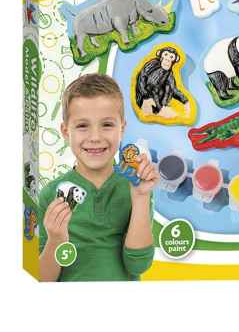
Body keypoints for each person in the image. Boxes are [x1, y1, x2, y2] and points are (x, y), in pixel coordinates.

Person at [38, 74, 159, 281]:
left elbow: (138, 265)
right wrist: (56, 239)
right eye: (82, 126)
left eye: (107, 125)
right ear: (66, 132)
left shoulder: (136, 186)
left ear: (122, 128)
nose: (95, 137)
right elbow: (42, 279)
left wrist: (140, 198)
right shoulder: (50, 194)